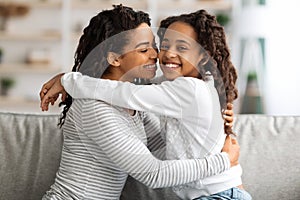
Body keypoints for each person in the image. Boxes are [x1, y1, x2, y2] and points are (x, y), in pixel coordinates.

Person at [40, 9, 251, 200]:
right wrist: (223, 160)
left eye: (154, 46)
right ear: (114, 59)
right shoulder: (95, 108)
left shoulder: (136, 106)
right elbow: (155, 174)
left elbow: (165, 146)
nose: (156, 55)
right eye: (144, 50)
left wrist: (214, 117)